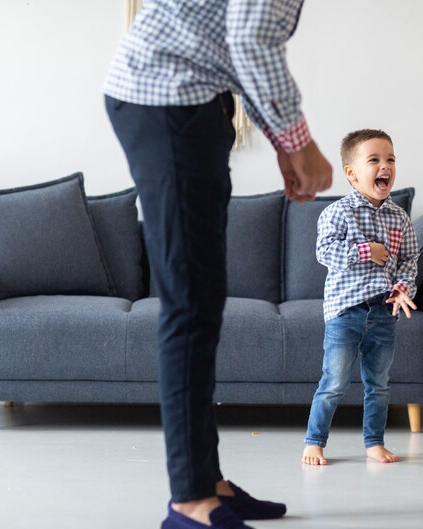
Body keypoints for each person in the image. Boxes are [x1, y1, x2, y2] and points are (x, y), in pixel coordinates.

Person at [104, 1, 333, 528]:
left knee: (202, 301)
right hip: (166, 100)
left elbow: (236, 44)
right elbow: (251, 40)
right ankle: (190, 503)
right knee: (189, 304)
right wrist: (302, 143)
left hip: (189, 100)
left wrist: (282, 144)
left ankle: (208, 483)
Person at [301, 129, 419, 466]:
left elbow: (410, 260)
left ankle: (374, 442)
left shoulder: (400, 217)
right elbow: (325, 252)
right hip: (345, 312)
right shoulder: (338, 213)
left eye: (390, 159)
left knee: (379, 383)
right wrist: (368, 251)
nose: (385, 166)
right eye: (375, 160)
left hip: (384, 312)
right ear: (351, 173)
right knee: (334, 381)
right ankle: (314, 442)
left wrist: (403, 287)